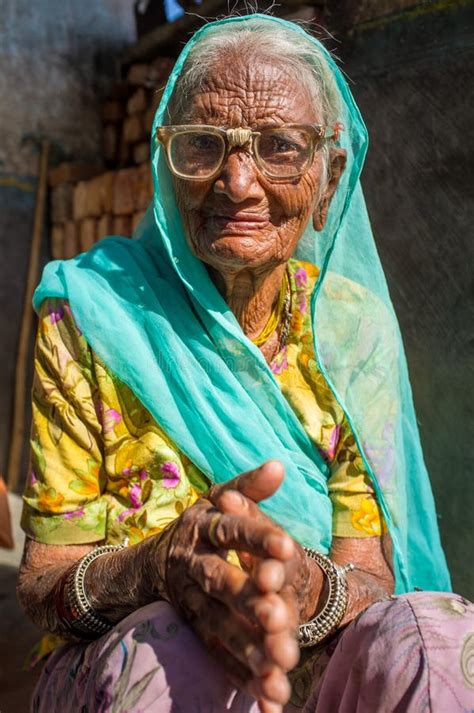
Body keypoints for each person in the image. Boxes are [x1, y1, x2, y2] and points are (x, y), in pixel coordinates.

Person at [17, 14, 473, 713]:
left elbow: (369, 570)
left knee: (434, 636)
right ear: (166, 164)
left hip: (307, 653)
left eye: (279, 147)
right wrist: (157, 566)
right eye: (203, 145)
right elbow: (43, 583)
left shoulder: (350, 329)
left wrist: (308, 589)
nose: (238, 181)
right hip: (127, 655)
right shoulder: (90, 310)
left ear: (328, 178)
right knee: (173, 653)